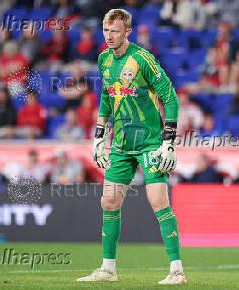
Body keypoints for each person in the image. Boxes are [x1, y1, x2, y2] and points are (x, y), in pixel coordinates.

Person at [77, 9, 186, 284]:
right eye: (105, 30)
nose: (109, 36)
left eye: (114, 31)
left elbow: (170, 97)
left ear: (128, 31)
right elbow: (106, 94)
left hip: (149, 143)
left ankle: (176, 271)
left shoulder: (142, 59)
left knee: (158, 201)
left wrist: (168, 142)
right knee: (109, 201)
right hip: (122, 145)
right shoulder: (103, 59)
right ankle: (108, 269)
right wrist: (100, 134)